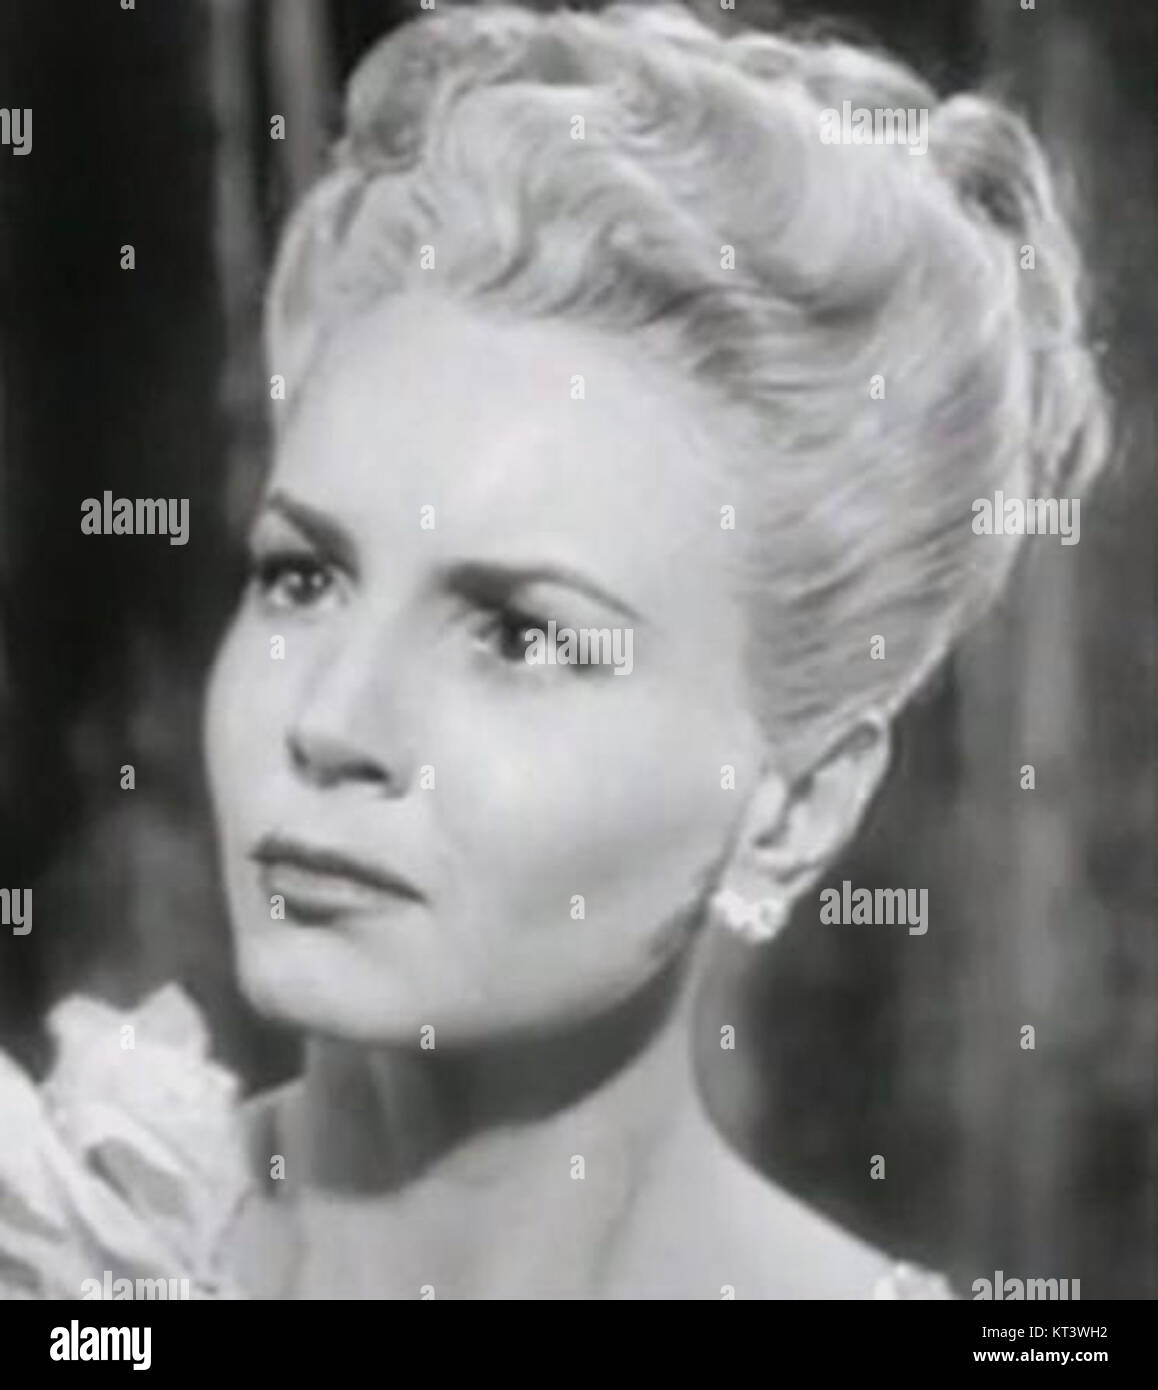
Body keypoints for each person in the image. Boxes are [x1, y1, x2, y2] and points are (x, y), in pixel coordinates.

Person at [1, 1, 1108, 1301]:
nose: (332, 720)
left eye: (519, 634)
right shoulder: (60, 1255)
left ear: (794, 806)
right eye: (303, 577)